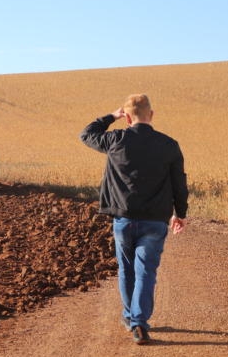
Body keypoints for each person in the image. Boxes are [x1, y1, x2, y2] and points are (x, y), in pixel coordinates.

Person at [79, 94, 188, 345]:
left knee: (126, 270)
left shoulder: (115, 139)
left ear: (127, 117)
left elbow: (86, 134)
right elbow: (179, 185)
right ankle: (138, 322)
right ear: (152, 115)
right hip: (154, 222)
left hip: (123, 220)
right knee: (146, 271)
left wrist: (110, 116)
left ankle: (131, 318)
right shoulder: (169, 145)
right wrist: (179, 214)